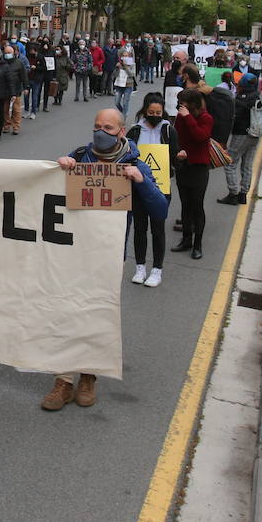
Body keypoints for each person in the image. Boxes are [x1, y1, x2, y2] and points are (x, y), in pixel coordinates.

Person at [45, 107, 167, 410]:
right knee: (67, 311)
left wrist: (142, 181)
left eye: (108, 128)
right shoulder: (80, 156)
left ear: (121, 131)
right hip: (73, 251)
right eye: (97, 126)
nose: (101, 132)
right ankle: (63, 381)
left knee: (98, 313)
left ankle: (88, 376)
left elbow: (160, 211)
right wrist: (62, 166)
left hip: (109, 255)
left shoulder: (135, 163)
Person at [125, 93, 178, 287]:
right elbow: (126, 155)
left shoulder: (168, 130)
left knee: (157, 228)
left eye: (158, 112)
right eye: (151, 112)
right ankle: (140, 267)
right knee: (139, 228)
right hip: (139, 188)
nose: (155, 115)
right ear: (145, 111)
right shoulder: (135, 131)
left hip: (160, 188)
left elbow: (174, 157)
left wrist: (179, 157)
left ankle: (157, 270)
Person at [170, 88, 213, 260]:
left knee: (197, 206)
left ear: (192, 104)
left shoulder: (206, 118)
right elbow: (177, 137)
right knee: (185, 205)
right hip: (184, 166)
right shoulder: (180, 117)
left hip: (199, 168)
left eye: (183, 103)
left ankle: (198, 244)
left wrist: (188, 117)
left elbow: (200, 137)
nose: (180, 106)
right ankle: (186, 239)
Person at [218, 74, 260, 205]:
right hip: (255, 134)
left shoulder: (240, 99)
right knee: (247, 165)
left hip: (241, 134)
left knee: (229, 163)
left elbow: (234, 117)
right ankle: (243, 194)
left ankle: (233, 193)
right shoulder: (256, 96)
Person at [3, 42, 28, 135]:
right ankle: (6, 125)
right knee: (4, 109)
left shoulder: (19, 63)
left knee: (16, 109)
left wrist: (26, 87)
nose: (7, 55)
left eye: (9, 53)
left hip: (16, 89)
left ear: (14, 53)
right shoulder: (2, 62)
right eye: (6, 53)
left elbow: (24, 76)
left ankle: (16, 126)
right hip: (4, 90)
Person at [113, 47, 137, 119]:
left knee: (125, 102)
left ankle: (123, 117)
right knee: (116, 102)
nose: (125, 57)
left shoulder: (132, 64)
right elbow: (114, 75)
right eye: (123, 56)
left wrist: (126, 66)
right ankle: (124, 112)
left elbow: (132, 74)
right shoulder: (119, 64)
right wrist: (117, 68)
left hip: (128, 85)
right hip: (119, 85)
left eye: (126, 56)